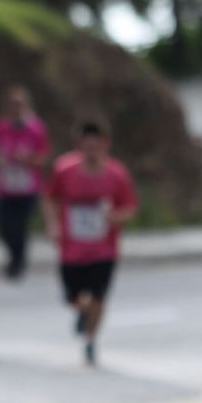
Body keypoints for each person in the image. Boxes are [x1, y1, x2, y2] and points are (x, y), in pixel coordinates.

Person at [42, 120, 137, 365]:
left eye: (96, 147)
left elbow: (130, 208)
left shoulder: (117, 175)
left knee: (99, 297)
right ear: (79, 147)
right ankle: (82, 312)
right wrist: (53, 226)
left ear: (105, 146)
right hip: (72, 249)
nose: (91, 153)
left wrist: (114, 217)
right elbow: (51, 199)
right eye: (86, 148)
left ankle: (91, 341)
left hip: (103, 250)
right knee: (72, 298)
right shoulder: (64, 170)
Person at [0, 86, 51, 280]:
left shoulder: (36, 128)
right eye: (12, 105)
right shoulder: (1, 127)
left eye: (19, 105)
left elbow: (44, 157)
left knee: (20, 228)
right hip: (6, 186)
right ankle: (14, 257)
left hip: (28, 188)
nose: (15, 109)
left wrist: (28, 159)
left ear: (26, 106)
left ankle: (17, 263)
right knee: (4, 228)